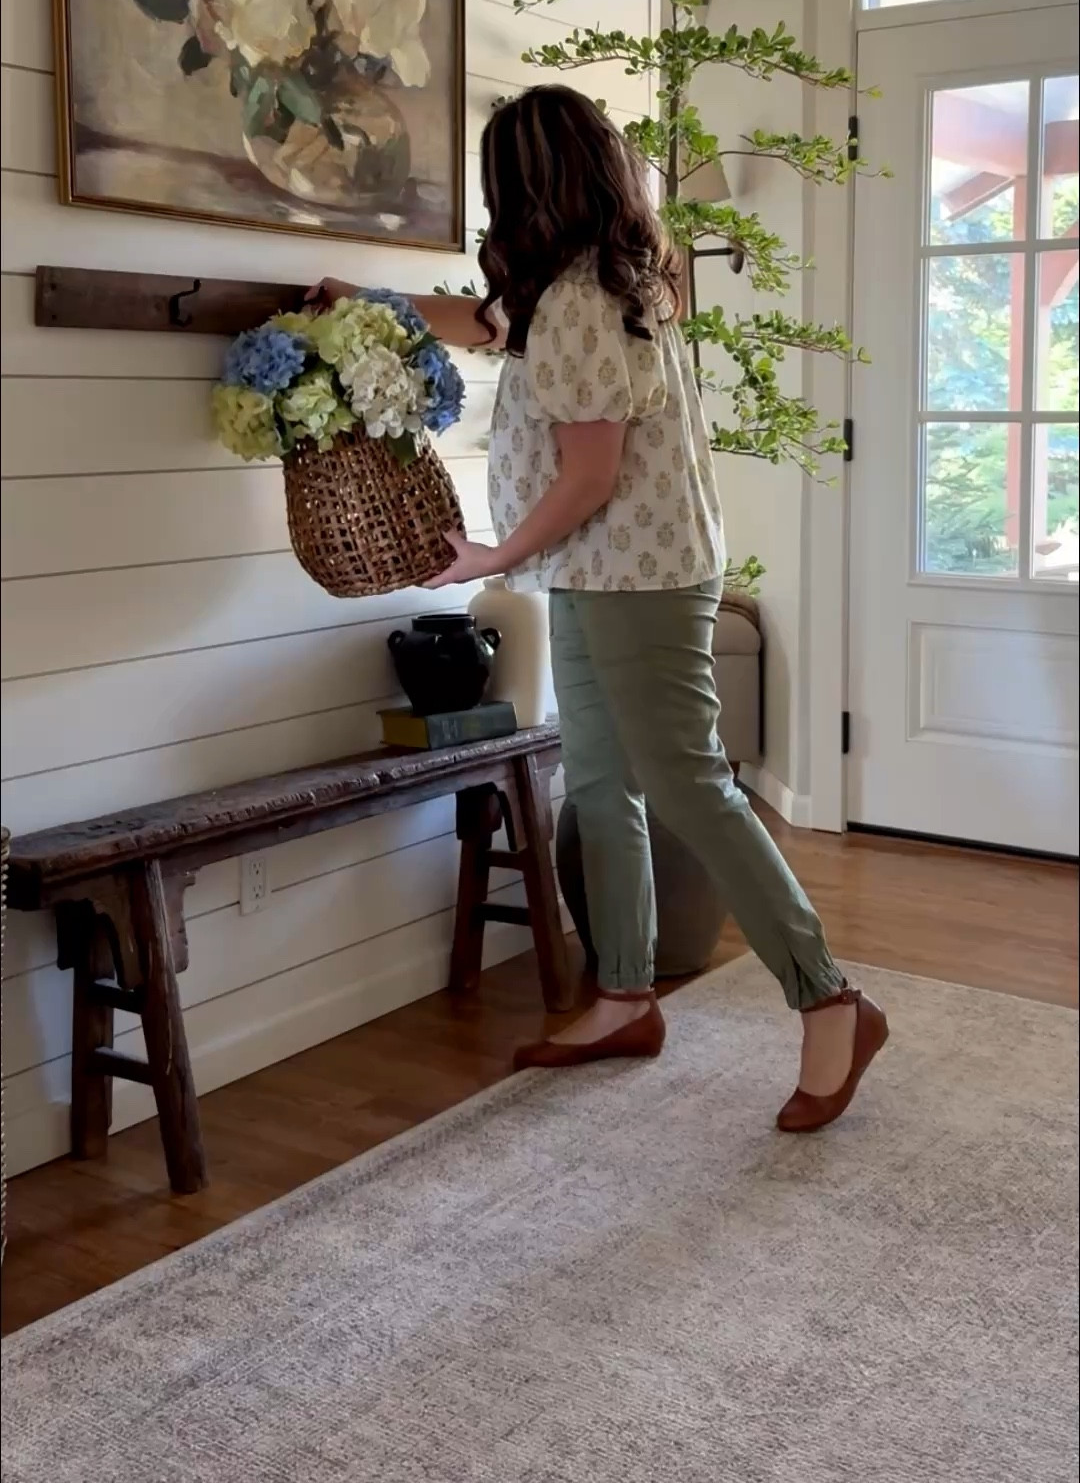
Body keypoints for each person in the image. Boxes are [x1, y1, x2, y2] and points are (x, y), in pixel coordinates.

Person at [317, 85, 887, 1133]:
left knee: (689, 787)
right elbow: (486, 325)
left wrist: (495, 553)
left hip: (642, 576)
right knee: (602, 780)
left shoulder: (582, 297)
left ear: (525, 183)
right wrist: (374, 307)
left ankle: (831, 998)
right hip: (602, 572)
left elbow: (587, 477)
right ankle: (623, 995)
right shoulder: (588, 282)